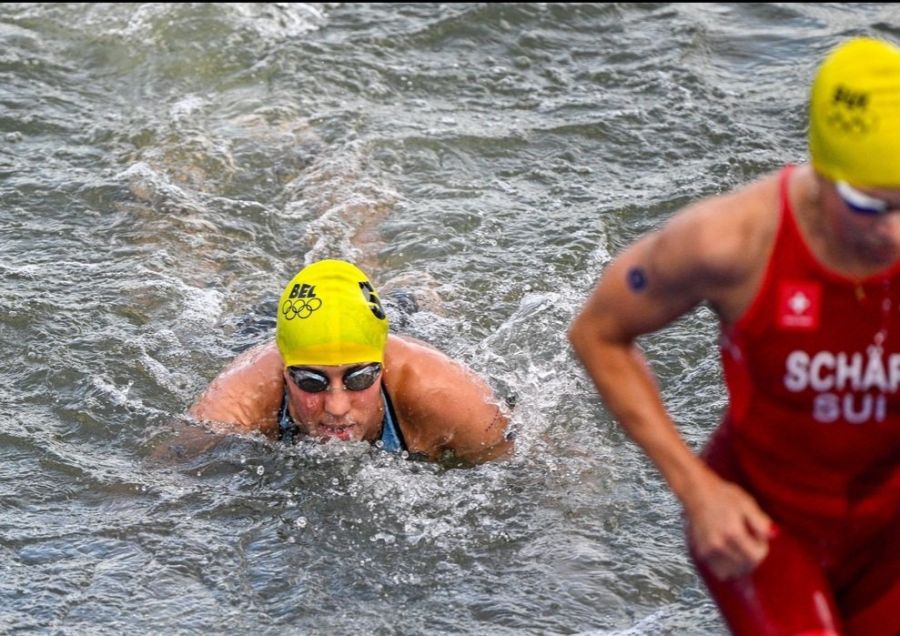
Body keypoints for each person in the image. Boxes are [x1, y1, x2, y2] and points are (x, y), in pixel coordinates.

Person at [568, 37, 900, 636]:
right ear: (822, 172)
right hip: (764, 528)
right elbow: (598, 333)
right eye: (872, 206)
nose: (895, 233)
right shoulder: (730, 243)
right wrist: (696, 491)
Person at [160, 259, 512, 465]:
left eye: (359, 378)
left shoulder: (447, 394)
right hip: (264, 329)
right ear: (284, 371)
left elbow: (525, 477)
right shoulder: (237, 399)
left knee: (419, 296)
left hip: (382, 327)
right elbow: (157, 481)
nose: (337, 406)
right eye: (311, 382)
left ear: (383, 365)